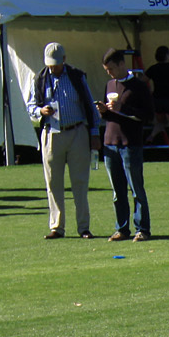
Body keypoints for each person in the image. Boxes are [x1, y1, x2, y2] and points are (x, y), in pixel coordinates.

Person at [27, 42, 99, 238]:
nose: (53, 68)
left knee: (80, 182)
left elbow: (90, 107)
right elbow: (30, 105)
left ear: (64, 60)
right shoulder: (40, 79)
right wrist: (40, 111)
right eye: (50, 64)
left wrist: (94, 134)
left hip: (77, 132)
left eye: (56, 64)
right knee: (53, 182)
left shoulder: (76, 77)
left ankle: (84, 227)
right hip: (51, 133)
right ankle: (56, 227)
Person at [98, 49, 153, 241]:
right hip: (110, 143)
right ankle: (121, 228)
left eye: (111, 68)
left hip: (130, 143)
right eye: (106, 70)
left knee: (136, 188)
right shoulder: (109, 85)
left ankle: (142, 229)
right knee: (117, 191)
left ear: (122, 64)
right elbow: (110, 115)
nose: (110, 73)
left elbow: (147, 115)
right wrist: (104, 111)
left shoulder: (138, 86)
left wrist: (123, 109)